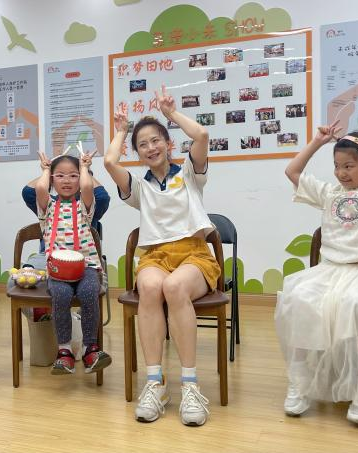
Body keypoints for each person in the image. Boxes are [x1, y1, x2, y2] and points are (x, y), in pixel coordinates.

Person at [104, 85, 220, 426]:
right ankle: (155, 383)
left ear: (168, 144)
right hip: (155, 256)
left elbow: (201, 135)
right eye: (143, 144)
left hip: (194, 254)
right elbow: (109, 161)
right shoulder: (138, 187)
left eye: (156, 140)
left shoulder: (189, 173)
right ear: (138, 153)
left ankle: (190, 385)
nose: (150, 147)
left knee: (174, 287)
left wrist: (170, 113)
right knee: (151, 287)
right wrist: (121, 130)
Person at [276, 122, 358, 426]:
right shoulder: (330, 193)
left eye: (349, 166)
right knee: (300, 296)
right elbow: (292, 171)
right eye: (337, 166)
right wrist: (317, 142)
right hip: (328, 271)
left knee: (357, 304)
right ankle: (299, 382)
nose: (341, 173)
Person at [35, 149, 112, 375]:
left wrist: (85, 167)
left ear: (79, 179)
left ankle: (90, 349)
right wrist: (46, 169)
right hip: (58, 271)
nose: (67, 180)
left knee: (89, 292)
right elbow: (40, 188)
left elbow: (88, 187)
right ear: (52, 180)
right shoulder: (47, 208)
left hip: (87, 267)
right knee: (61, 295)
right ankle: (65, 351)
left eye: (73, 175)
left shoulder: (84, 207)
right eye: (60, 176)